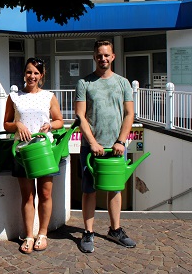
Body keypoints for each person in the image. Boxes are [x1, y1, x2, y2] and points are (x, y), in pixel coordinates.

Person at [75, 40, 136, 253]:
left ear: (113, 57)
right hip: (91, 148)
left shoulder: (123, 83)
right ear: (94, 57)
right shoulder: (85, 83)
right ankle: (88, 232)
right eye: (99, 55)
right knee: (89, 189)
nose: (103, 59)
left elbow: (129, 114)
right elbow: (80, 116)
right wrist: (92, 142)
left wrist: (121, 141)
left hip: (115, 147)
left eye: (107, 55)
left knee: (115, 189)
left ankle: (115, 229)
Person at [3, 57, 64, 254]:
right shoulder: (14, 98)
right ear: (24, 74)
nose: (32, 76)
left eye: (36, 73)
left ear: (41, 76)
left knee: (45, 194)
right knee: (27, 196)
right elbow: (6, 124)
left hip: (44, 151)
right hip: (22, 151)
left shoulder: (49, 96)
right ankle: (29, 235)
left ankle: (43, 233)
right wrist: (17, 125)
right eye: (29, 72)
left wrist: (50, 125)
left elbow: (59, 121)